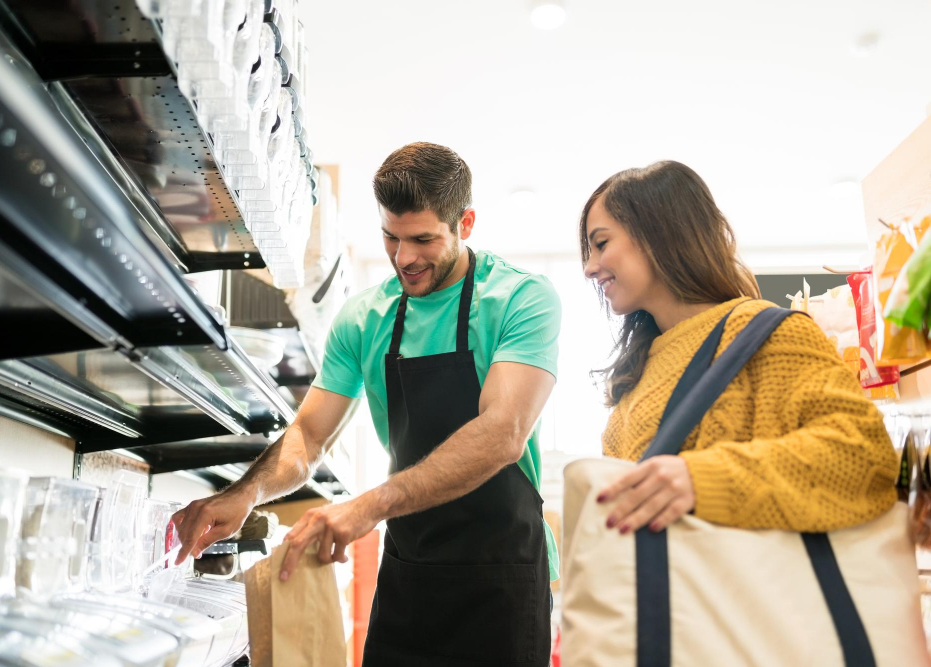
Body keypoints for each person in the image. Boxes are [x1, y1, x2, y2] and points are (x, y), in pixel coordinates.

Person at [173, 142, 561, 666]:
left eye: (423, 239)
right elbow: (309, 436)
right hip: (410, 573)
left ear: (465, 223)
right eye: (391, 237)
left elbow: (503, 433)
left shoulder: (520, 298)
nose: (404, 258)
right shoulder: (364, 318)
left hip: (501, 576)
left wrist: (367, 506)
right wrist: (247, 493)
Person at [578, 160, 897, 535]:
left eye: (601, 243)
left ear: (658, 235)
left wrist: (702, 480)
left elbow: (866, 457)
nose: (589, 267)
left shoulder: (768, 334)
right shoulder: (640, 367)